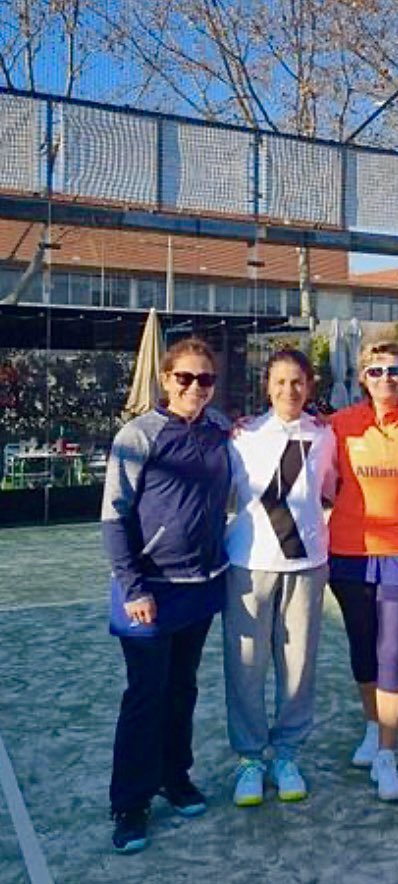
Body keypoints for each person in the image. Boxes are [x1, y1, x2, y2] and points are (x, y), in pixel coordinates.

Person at [102, 338, 231, 853]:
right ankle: (130, 803)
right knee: (144, 696)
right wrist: (133, 587)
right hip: (148, 593)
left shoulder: (222, 431)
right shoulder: (138, 435)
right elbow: (114, 517)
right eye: (185, 378)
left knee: (182, 689)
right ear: (165, 379)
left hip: (199, 591)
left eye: (205, 380)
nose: (195, 388)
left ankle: (174, 777)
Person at [328, 339, 398, 802]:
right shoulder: (338, 425)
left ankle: (387, 755)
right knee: (363, 648)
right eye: (375, 372)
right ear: (362, 378)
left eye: (394, 371)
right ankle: (373, 728)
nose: (385, 380)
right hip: (350, 551)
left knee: (394, 650)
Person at [223, 349, 336, 808]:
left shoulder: (326, 436)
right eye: (280, 382)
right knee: (246, 668)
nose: (289, 390)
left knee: (298, 670)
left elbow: (328, 490)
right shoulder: (241, 436)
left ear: (309, 386)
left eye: (298, 382)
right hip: (248, 566)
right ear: (267, 387)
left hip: (307, 567)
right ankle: (250, 759)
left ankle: (287, 754)